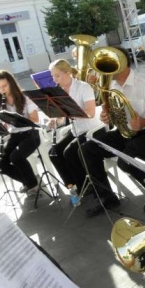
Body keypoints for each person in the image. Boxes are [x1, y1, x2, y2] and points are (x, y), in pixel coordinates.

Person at [79, 47, 145, 218]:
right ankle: (107, 197)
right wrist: (107, 115)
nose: (105, 69)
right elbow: (113, 111)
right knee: (87, 149)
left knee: (125, 162)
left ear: (122, 63)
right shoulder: (111, 84)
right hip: (125, 131)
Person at [47, 59, 101, 195]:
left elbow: (90, 112)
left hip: (90, 129)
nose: (54, 79)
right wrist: (55, 119)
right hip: (76, 129)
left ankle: (86, 185)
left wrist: (69, 112)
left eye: (57, 75)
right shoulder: (59, 92)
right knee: (53, 153)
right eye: (52, 76)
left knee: (69, 152)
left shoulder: (83, 87)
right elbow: (61, 117)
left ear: (67, 73)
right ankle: (72, 185)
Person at [0, 70, 41, 195]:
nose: (2, 90)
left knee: (16, 157)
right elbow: (2, 128)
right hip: (15, 135)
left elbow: (35, 119)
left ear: (11, 84)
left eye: (4, 86)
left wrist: (16, 119)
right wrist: (3, 123)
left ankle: (32, 184)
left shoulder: (24, 97)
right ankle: (28, 181)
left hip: (30, 133)